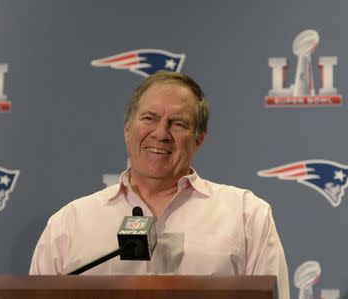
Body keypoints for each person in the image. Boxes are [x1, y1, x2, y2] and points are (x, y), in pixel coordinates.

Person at [29, 71, 290, 299]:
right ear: (127, 128)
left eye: (178, 123)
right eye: (149, 118)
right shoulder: (69, 224)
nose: (161, 134)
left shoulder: (247, 216)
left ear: (198, 139)